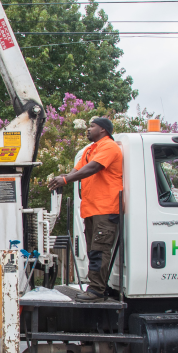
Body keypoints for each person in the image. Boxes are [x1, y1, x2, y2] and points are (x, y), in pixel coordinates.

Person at [48, 116, 124, 302]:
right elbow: (78, 170)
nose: (88, 129)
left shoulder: (109, 147)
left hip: (106, 208)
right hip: (92, 209)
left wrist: (65, 179)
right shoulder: (91, 149)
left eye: (92, 126)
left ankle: (97, 291)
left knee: (99, 250)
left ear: (103, 130)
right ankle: (96, 287)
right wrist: (63, 177)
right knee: (93, 251)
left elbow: (94, 167)